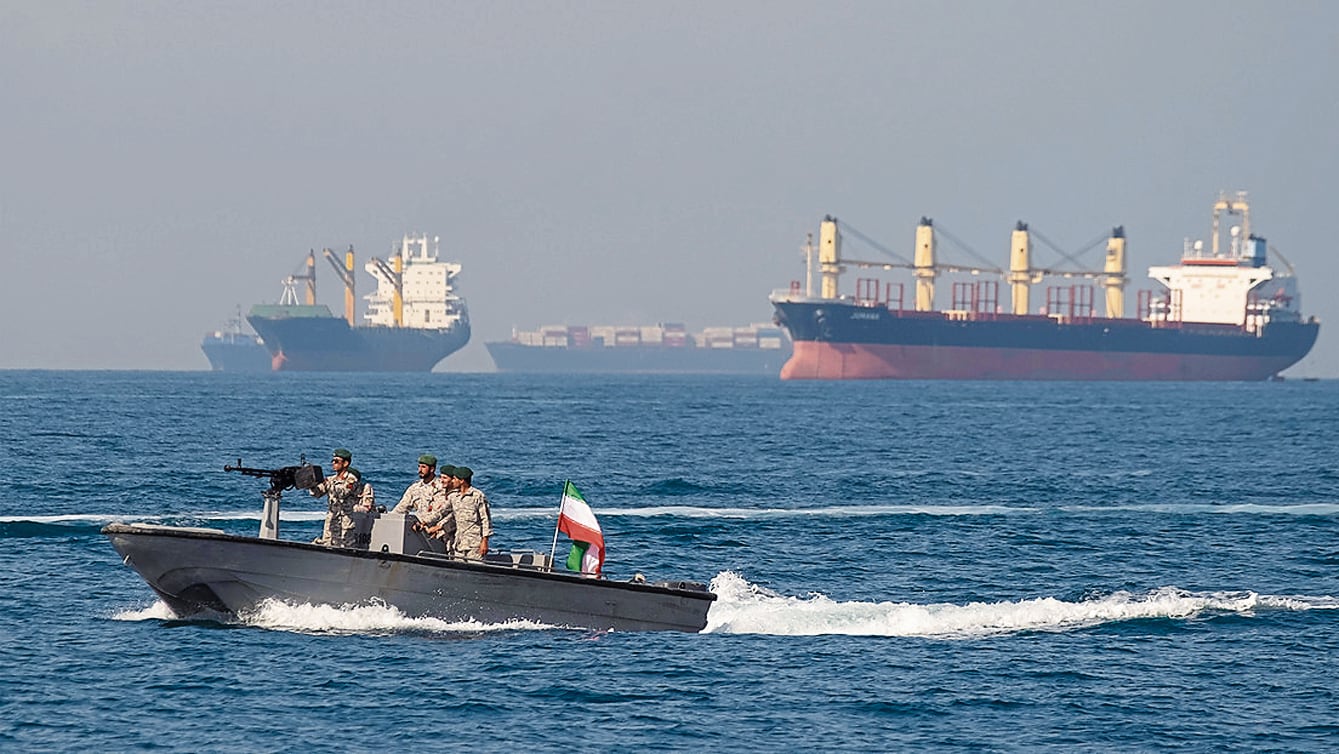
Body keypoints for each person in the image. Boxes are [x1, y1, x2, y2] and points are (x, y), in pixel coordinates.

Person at [309, 447, 375, 548]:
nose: (333, 463)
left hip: (346, 521)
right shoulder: (330, 479)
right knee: (327, 544)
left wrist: (330, 485)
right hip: (332, 520)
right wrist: (312, 485)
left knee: (346, 547)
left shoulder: (351, 480)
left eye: (336, 461)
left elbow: (343, 492)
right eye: (333, 461)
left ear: (345, 463)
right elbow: (317, 493)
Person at [392, 453, 451, 536]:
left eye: (423, 467)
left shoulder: (442, 487)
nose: (419, 470)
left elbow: (444, 512)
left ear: (432, 469)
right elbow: (402, 507)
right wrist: (390, 518)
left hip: (436, 532)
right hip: (418, 530)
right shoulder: (415, 488)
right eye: (419, 466)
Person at [444, 466, 493, 559]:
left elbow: (485, 520)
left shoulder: (477, 496)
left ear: (462, 481)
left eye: (454, 478)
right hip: (459, 543)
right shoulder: (454, 496)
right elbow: (442, 512)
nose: (452, 481)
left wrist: (485, 541)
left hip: (475, 545)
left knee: (477, 569)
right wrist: (424, 522)